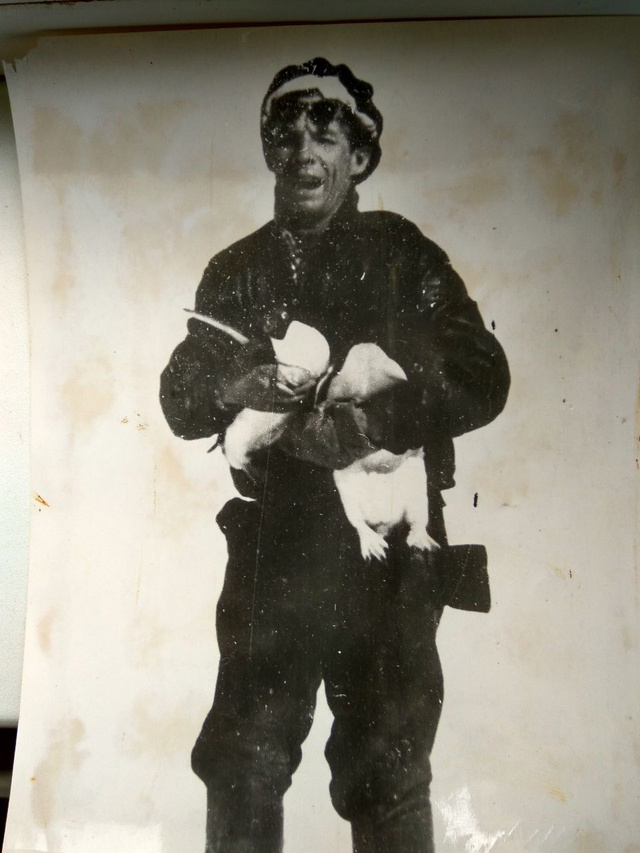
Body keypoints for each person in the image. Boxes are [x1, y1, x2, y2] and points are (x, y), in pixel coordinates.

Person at [160, 57, 510, 853]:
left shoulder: (401, 253)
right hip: (272, 556)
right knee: (244, 759)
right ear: (269, 152)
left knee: (387, 767)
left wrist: (373, 423)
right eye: (286, 135)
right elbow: (180, 394)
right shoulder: (235, 271)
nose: (304, 152)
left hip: (385, 556)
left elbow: (482, 372)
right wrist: (239, 380)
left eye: (326, 135)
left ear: (359, 155)